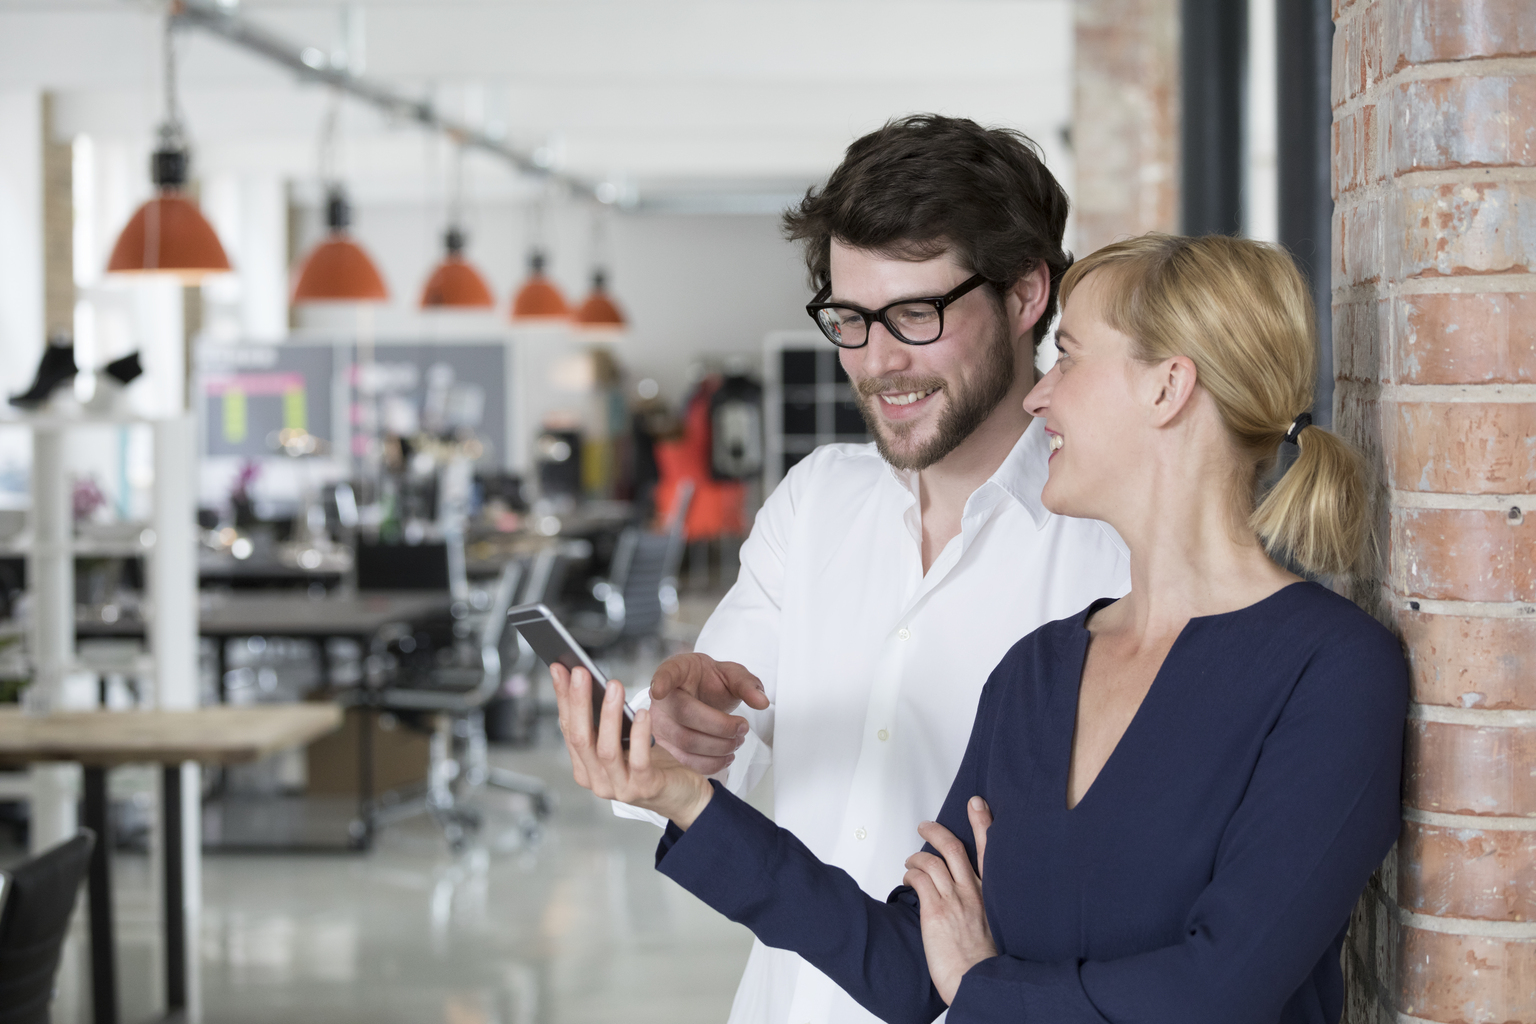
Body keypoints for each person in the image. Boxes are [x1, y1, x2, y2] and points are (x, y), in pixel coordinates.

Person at [556, 233, 1409, 1024]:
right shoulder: (1038, 670)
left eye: (1068, 357)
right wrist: (686, 802)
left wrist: (986, 985)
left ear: (1167, 386)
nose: (1039, 393)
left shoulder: (1332, 672)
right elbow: (908, 967)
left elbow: (1220, 990)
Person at [604, 114, 1130, 1024]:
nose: (879, 361)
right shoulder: (816, 504)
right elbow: (709, 776)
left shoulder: (1110, 544)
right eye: (850, 319)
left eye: (917, 315)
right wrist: (674, 734)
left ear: (1025, 295)